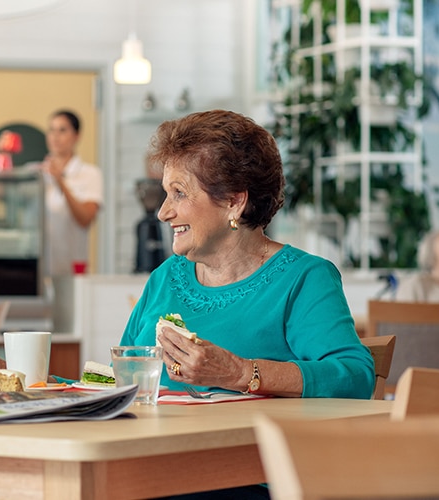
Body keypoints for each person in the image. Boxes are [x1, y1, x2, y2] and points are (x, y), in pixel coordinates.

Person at [120, 110, 374, 498]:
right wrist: (22, 377)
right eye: (165, 192)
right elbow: (116, 385)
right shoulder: (164, 278)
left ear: (235, 202)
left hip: (245, 481)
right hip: (146, 473)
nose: (163, 211)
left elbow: (354, 377)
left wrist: (240, 372)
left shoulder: (304, 278)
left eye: (180, 193)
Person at [40, 109, 103, 276]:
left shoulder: (90, 174)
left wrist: (60, 183)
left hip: (72, 267)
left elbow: (85, 219)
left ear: (76, 136)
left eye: (62, 130)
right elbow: (2, 193)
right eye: (51, 130)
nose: (55, 136)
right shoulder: (38, 174)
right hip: (40, 267)